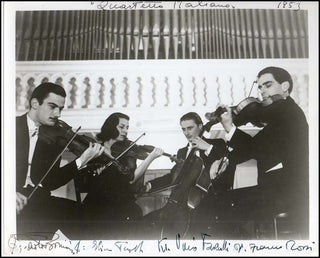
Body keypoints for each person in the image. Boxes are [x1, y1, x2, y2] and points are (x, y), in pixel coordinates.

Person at [215, 66, 309, 239]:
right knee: (219, 204)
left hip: (290, 191)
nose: (262, 92)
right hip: (280, 187)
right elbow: (253, 148)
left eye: (268, 85)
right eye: (260, 87)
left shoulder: (286, 111)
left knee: (219, 206)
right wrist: (231, 125)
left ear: (285, 86)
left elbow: (253, 148)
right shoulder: (281, 114)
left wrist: (230, 125)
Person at [16, 82, 105, 240]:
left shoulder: (53, 137)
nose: (57, 114)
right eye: (52, 106)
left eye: (60, 109)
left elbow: (51, 182)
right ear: (35, 104)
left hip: (38, 200)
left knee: (90, 217)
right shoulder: (9, 127)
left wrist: (82, 160)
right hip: (12, 199)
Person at [141, 112, 227, 239]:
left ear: (200, 126)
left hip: (205, 203)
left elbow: (225, 161)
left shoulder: (217, 144)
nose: (187, 133)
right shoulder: (182, 152)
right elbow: (173, 176)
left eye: (190, 128)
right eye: (183, 129)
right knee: (146, 224)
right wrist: (150, 185)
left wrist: (207, 147)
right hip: (178, 203)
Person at [80, 112, 164, 239]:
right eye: (121, 126)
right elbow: (83, 181)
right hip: (97, 202)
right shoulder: (95, 149)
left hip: (119, 203)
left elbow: (131, 179)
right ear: (111, 126)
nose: (125, 131)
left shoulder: (127, 151)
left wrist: (151, 157)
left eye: (127, 127)